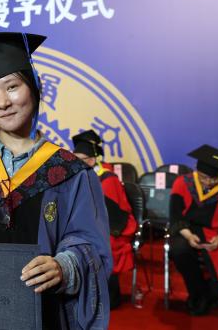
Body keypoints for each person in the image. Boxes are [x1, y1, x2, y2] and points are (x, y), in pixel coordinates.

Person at [0, 32, 112, 329]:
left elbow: (91, 243)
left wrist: (65, 266)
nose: (3, 102)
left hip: (43, 313)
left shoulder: (70, 171)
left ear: (34, 87)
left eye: (12, 87)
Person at [72, 130, 136, 309]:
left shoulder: (108, 179)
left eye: (81, 159)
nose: (76, 163)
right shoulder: (79, 175)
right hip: (87, 224)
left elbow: (113, 214)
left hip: (113, 227)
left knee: (100, 245)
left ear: (92, 160)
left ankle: (108, 297)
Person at [169, 144, 218, 316]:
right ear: (196, 171)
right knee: (179, 251)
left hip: (217, 232)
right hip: (187, 229)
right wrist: (188, 236)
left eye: (213, 179)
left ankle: (206, 297)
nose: (208, 182)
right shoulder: (183, 183)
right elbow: (175, 215)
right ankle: (200, 295)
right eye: (204, 177)